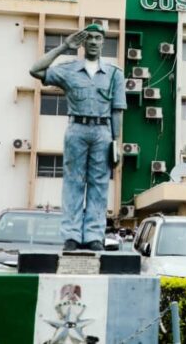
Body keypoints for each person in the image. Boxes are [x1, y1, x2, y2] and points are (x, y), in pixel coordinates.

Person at [30, 24, 126, 251]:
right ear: (83, 42)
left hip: (103, 131)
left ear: (103, 42)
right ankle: (71, 236)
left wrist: (116, 142)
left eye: (98, 38)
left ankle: (94, 236)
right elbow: (35, 70)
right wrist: (64, 46)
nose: (93, 42)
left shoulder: (114, 73)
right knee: (73, 183)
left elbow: (117, 110)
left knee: (99, 184)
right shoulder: (70, 69)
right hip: (77, 129)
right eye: (89, 38)